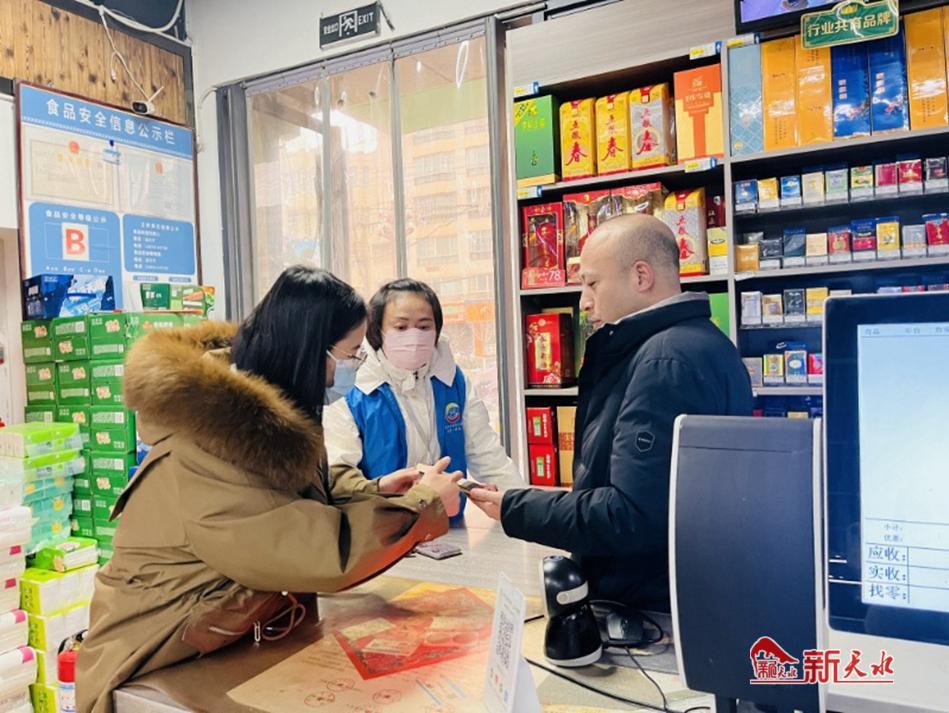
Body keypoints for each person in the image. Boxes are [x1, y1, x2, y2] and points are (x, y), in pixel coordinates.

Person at [77, 267, 463, 713]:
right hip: (152, 656)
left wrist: (375, 489)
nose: (352, 368)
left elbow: (293, 485)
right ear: (310, 350)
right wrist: (424, 505)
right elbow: (316, 552)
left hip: (223, 636)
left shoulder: (256, 409)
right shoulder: (208, 445)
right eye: (350, 353)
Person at [468, 214, 754, 611]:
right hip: (682, 590)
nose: (584, 301)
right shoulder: (700, 344)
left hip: (647, 601)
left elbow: (631, 515)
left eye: (592, 283)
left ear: (641, 276)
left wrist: (515, 508)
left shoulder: (664, 361)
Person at [324, 278, 521, 525]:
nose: (414, 336)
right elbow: (339, 474)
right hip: (380, 529)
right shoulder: (351, 390)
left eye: (424, 326)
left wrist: (523, 509)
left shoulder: (453, 381)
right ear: (377, 331)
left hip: (447, 525)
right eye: (401, 327)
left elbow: (486, 452)